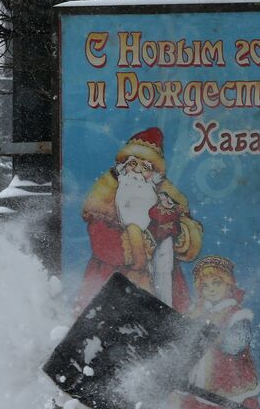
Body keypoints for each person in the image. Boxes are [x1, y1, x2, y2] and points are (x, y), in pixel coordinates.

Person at [78, 127, 203, 314]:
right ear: (122, 167)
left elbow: (189, 237)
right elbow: (105, 247)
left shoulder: (166, 198)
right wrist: (147, 238)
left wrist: (176, 230)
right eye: (132, 163)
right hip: (112, 281)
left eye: (145, 167)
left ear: (154, 175)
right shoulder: (103, 200)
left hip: (164, 283)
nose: (136, 171)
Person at [178, 256, 260, 409]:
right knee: (199, 399)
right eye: (205, 286)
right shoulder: (198, 310)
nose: (211, 289)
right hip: (200, 366)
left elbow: (236, 344)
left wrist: (212, 337)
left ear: (228, 284)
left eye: (217, 283)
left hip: (226, 369)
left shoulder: (237, 313)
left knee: (228, 401)